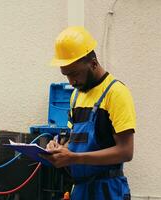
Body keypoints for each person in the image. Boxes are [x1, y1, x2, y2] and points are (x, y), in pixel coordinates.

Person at [43, 26, 136, 200]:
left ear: (93, 63)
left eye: (75, 74)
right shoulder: (76, 96)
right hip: (80, 190)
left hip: (108, 191)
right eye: (66, 75)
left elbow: (126, 151)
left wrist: (75, 158)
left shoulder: (115, 93)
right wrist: (59, 149)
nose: (71, 81)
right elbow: (73, 141)